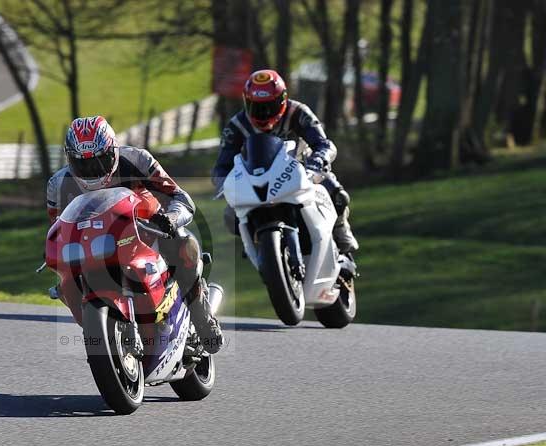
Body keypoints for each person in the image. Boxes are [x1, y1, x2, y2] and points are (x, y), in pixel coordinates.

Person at [47, 116, 224, 353]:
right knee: (64, 284)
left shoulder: (137, 160)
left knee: (184, 244)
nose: (92, 171)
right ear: (70, 160)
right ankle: (105, 333)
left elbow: (180, 198)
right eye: (83, 164)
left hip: (146, 231)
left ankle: (202, 318)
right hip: (96, 243)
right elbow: (58, 227)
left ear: (113, 151)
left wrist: (170, 219)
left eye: (100, 161)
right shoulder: (58, 184)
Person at [212, 69, 359, 253]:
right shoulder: (236, 126)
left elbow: (325, 144)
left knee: (335, 192)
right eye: (256, 107)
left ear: (282, 100)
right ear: (246, 102)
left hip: (302, 174)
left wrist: (317, 161)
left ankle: (340, 228)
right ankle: (260, 242)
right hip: (258, 184)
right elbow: (221, 166)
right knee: (230, 215)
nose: (264, 114)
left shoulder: (298, 113)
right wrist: (225, 185)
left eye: (269, 106)